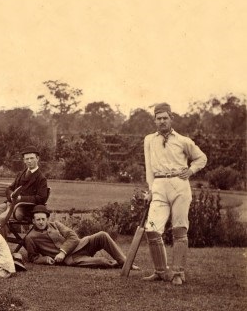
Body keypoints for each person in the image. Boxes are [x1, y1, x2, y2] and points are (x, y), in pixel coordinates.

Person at [142, 102, 207, 285]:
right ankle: (161, 271)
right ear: (154, 120)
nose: (162, 121)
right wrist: (150, 189)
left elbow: (201, 158)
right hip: (159, 185)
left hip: (179, 185)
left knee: (179, 228)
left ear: (171, 118)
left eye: (165, 118)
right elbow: (148, 167)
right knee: (152, 229)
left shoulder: (183, 140)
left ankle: (178, 272)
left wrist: (191, 171)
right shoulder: (149, 140)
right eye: (158, 118)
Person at [25, 205, 138, 269]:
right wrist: (45, 259)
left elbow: (73, 236)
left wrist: (63, 251)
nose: (41, 222)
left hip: (81, 245)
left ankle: (125, 263)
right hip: (72, 259)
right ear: (33, 221)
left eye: (43, 219)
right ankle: (115, 264)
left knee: (102, 235)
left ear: (47, 219)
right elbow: (33, 258)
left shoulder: (55, 224)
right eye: (38, 220)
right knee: (102, 262)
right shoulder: (31, 237)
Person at [0, 146, 48, 228]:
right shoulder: (21, 174)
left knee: (2, 218)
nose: (29, 161)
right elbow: (9, 188)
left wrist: (21, 198)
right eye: (27, 159)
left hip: (23, 208)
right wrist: (11, 195)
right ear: (24, 160)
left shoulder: (41, 178)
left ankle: (0, 240)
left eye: (32, 158)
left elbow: (41, 198)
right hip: (9, 204)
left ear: (37, 158)